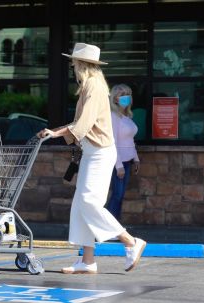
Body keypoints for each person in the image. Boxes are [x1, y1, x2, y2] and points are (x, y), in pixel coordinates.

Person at [37, 43, 146, 274]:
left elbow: (84, 124)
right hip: (92, 152)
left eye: (74, 62)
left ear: (81, 64)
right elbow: (80, 122)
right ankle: (87, 261)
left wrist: (57, 133)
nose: (72, 66)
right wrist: (55, 132)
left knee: (88, 201)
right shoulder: (90, 85)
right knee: (79, 205)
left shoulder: (94, 86)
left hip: (100, 153)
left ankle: (130, 241)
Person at [106, 84, 140, 220]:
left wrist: (136, 158)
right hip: (117, 163)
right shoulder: (113, 116)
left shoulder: (127, 117)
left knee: (120, 196)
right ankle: (106, 228)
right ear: (114, 99)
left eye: (128, 93)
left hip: (127, 161)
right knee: (117, 195)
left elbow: (130, 141)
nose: (126, 97)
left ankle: (114, 227)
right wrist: (118, 165)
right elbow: (112, 142)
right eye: (122, 94)